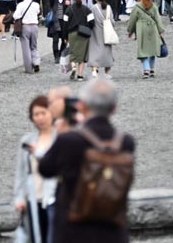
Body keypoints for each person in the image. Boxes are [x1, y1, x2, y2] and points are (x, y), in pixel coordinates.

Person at [38, 79, 135, 243]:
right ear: (114, 108)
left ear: (82, 106)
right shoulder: (126, 142)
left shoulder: (70, 140)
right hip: (113, 229)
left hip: (73, 229)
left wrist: (61, 136)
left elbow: (45, 168)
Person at [13, 96, 58, 243]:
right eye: (36, 114)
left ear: (52, 113)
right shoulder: (28, 141)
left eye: (43, 113)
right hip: (33, 198)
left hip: (55, 199)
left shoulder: (61, 139)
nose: (40, 118)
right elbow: (21, 172)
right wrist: (19, 197)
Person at [125, 0, 166, 78]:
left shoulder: (137, 7)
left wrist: (130, 31)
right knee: (152, 49)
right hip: (153, 28)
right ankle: (152, 69)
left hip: (142, 29)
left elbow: (132, 20)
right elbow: (157, 19)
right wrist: (161, 30)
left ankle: (146, 69)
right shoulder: (153, 5)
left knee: (143, 50)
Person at [63, 0, 94, 82]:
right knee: (82, 55)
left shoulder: (68, 9)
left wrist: (65, 36)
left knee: (72, 51)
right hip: (83, 34)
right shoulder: (87, 9)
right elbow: (92, 22)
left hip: (72, 33)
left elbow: (65, 24)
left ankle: (73, 67)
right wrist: (88, 28)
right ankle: (80, 75)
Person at [87, 0, 116, 78]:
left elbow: (90, 20)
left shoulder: (93, 8)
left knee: (94, 50)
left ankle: (95, 69)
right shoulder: (108, 7)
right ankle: (107, 72)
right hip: (106, 32)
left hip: (95, 31)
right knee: (107, 51)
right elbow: (112, 21)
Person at [14, 0, 42, 73]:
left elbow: (16, 16)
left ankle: (29, 68)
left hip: (25, 26)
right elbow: (38, 12)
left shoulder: (21, 5)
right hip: (35, 26)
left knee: (26, 48)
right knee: (34, 46)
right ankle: (36, 62)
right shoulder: (36, 5)